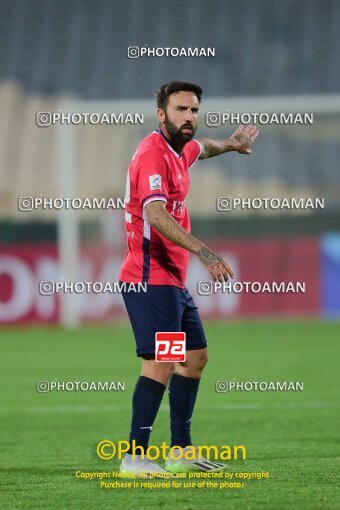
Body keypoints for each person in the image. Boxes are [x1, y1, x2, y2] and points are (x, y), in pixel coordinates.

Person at [119, 81, 259, 476]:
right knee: (162, 361)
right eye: (181, 110)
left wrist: (231, 144)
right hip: (148, 277)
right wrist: (202, 250)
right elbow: (155, 214)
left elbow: (204, 148)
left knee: (194, 357)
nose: (190, 117)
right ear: (161, 114)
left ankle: (179, 451)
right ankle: (134, 455)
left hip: (172, 280)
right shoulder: (151, 154)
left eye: (194, 110)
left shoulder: (181, 151)